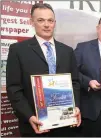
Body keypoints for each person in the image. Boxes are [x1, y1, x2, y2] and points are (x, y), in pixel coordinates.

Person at [6, 3, 81, 137]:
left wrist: (76, 107)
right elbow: (14, 89)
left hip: (66, 125)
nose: (46, 24)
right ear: (32, 22)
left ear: (54, 23)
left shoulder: (67, 51)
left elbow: (75, 83)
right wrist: (29, 116)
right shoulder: (18, 50)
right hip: (34, 125)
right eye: (41, 20)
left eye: (50, 20)